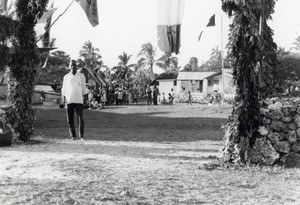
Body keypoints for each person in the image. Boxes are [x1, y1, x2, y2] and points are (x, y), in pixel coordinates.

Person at [61, 60, 88, 140]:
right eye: (71, 65)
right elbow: (64, 90)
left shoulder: (81, 76)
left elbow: (84, 89)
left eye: (74, 65)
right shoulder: (66, 77)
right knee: (70, 119)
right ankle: (73, 136)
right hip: (69, 100)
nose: (73, 66)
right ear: (69, 66)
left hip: (79, 100)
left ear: (77, 66)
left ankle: (81, 136)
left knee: (80, 119)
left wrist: (86, 100)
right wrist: (63, 100)